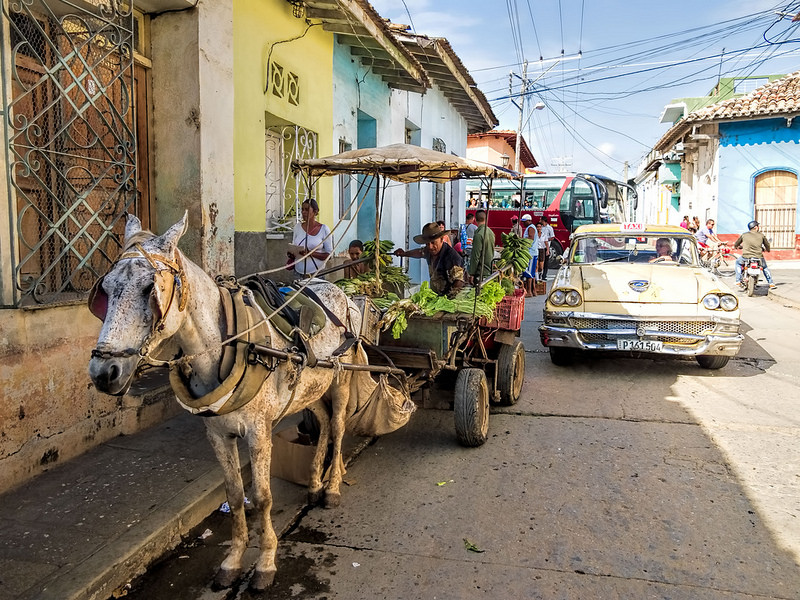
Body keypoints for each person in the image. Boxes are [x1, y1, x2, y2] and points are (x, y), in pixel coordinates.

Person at [395, 222, 465, 297]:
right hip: (436, 295)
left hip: (450, 297)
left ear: (441, 239)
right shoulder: (428, 251)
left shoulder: (452, 257)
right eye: (427, 244)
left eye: (433, 242)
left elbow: (459, 282)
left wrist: (447, 299)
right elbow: (419, 252)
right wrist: (404, 253)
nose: (430, 247)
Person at [289, 198, 332, 277]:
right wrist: (292, 253)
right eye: (302, 209)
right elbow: (294, 245)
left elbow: (329, 255)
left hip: (316, 273)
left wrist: (310, 253)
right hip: (298, 272)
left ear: (315, 212)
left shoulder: (324, 229)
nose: (303, 212)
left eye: (307, 210)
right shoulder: (297, 227)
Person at [733, 220, 776, 289]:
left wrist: (736, 246)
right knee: (765, 268)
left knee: (738, 263)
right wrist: (768, 250)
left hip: (746, 256)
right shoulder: (761, 235)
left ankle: (738, 280)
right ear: (756, 227)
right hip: (758, 257)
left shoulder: (744, 235)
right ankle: (771, 283)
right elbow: (767, 244)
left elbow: (737, 243)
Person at [468, 209, 495, 283]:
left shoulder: (479, 234)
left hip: (481, 272)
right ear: (486, 219)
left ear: (475, 220)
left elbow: (475, 256)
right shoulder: (490, 232)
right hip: (489, 269)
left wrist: (472, 273)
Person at [521, 214, 539, 297]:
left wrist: (521, 241)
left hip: (531, 253)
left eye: (524, 222)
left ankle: (529, 291)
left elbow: (530, 238)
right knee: (532, 273)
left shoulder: (531, 228)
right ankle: (533, 290)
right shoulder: (530, 227)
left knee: (529, 273)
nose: (523, 224)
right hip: (532, 252)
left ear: (529, 221)